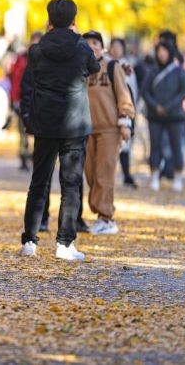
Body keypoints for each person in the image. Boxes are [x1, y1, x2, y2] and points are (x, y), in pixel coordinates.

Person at [19, 0, 100, 261]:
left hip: (45, 121)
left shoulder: (37, 49)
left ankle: (29, 241)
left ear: (49, 20)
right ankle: (65, 244)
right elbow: (95, 68)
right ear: (74, 21)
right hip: (75, 123)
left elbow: (30, 79)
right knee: (71, 184)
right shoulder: (82, 48)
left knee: (38, 182)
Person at [82, 31, 135, 235]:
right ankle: (99, 213)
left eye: (95, 42)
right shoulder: (81, 69)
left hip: (109, 130)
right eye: (87, 43)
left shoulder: (113, 66)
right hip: (86, 130)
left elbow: (124, 94)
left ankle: (106, 218)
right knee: (91, 175)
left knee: (104, 173)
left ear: (102, 46)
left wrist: (125, 122)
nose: (92, 46)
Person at [142, 42, 185, 192]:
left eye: (164, 51)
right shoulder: (152, 71)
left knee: (177, 147)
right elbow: (145, 91)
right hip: (155, 116)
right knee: (155, 146)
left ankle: (178, 177)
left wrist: (169, 106)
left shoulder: (178, 71)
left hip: (175, 116)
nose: (161, 54)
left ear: (170, 53)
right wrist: (155, 106)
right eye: (159, 51)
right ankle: (155, 176)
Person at [9, 31, 42, 172]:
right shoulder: (22, 59)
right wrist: (15, 100)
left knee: (38, 133)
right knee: (23, 131)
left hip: (40, 101)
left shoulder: (44, 59)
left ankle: (35, 157)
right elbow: (15, 80)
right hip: (23, 99)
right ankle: (23, 157)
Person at [109, 38, 140, 188]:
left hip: (125, 108)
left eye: (118, 46)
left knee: (125, 144)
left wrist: (131, 111)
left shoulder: (127, 66)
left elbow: (133, 90)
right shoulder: (105, 64)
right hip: (108, 111)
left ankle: (126, 174)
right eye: (113, 46)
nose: (115, 49)